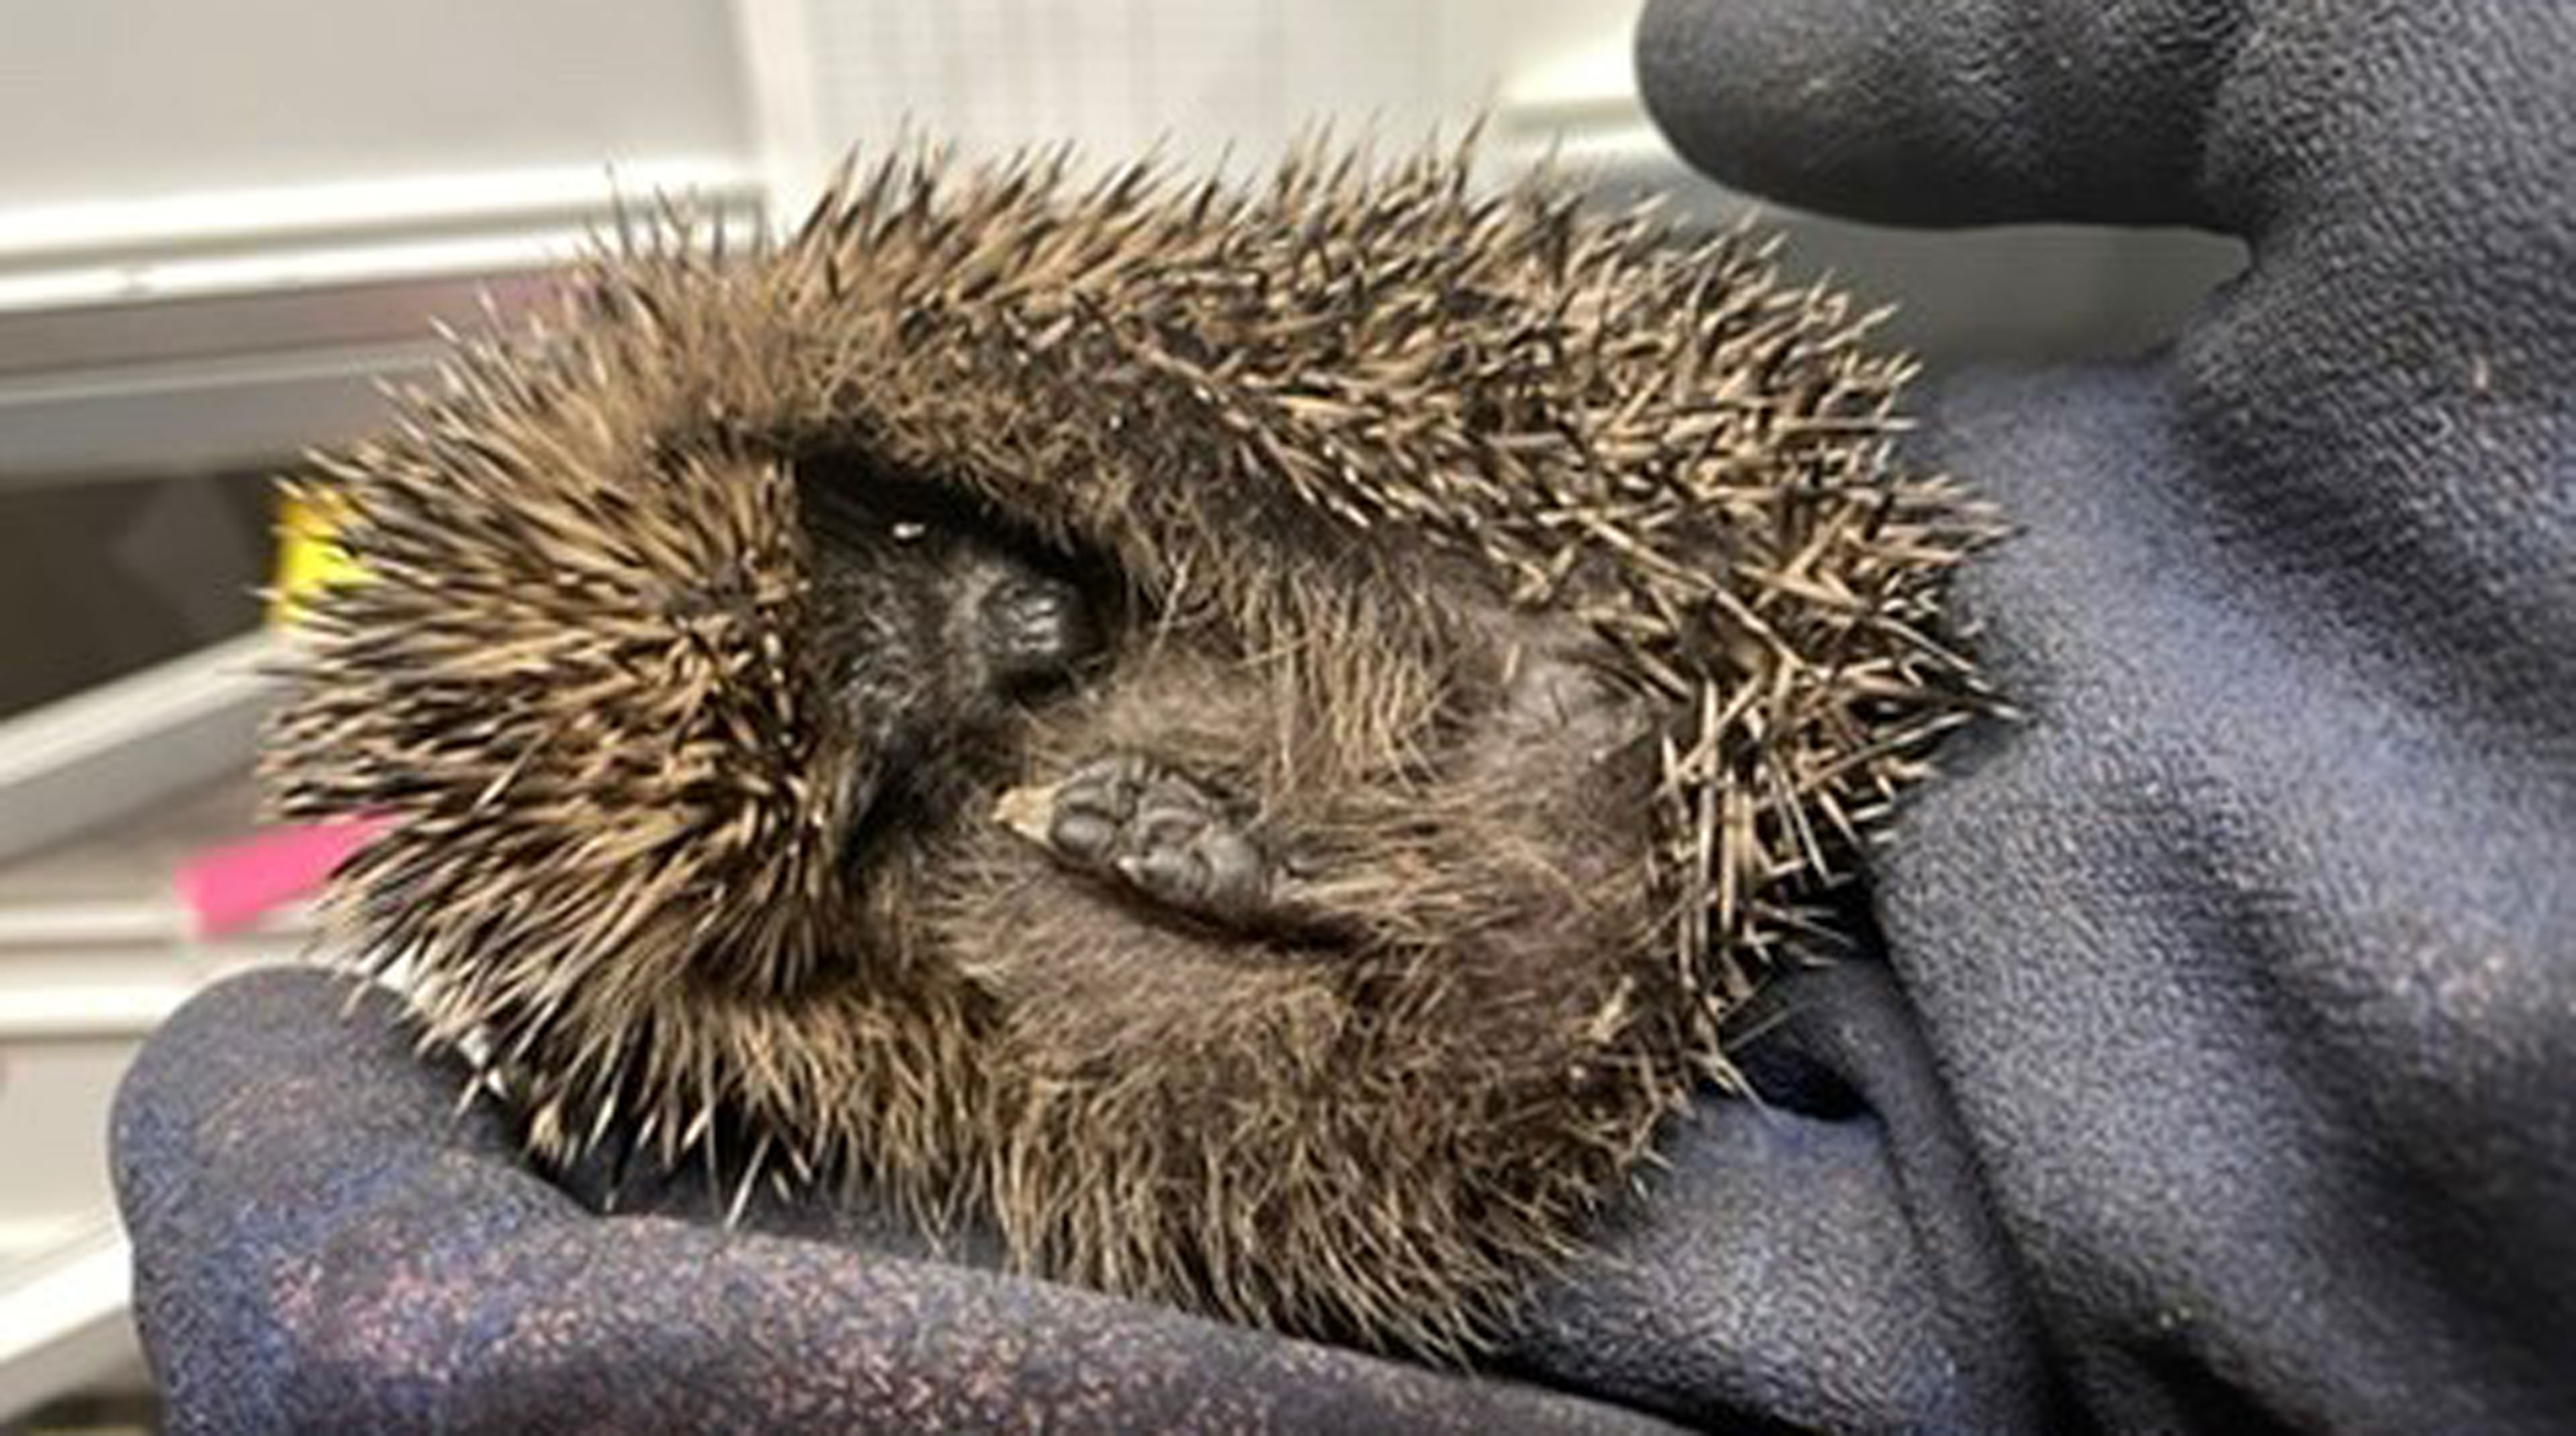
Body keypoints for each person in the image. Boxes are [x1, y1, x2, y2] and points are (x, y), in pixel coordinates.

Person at [114, 1, 2573, 1429]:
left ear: (811, 439)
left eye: (888, 548)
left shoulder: (996, 378)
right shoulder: (894, 983)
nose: (982, 647)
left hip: (1512, 651)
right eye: (880, 770)